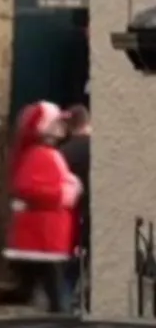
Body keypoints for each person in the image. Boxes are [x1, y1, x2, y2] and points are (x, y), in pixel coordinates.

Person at [0, 101, 81, 317]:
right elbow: (27, 188)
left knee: (25, 292)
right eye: (57, 122)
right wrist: (64, 193)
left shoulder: (45, 153)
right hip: (41, 239)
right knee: (56, 298)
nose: (62, 126)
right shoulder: (39, 154)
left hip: (45, 238)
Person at [60, 105, 91, 311]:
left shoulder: (63, 153)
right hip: (93, 215)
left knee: (70, 268)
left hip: (71, 217)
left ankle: (64, 308)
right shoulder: (99, 148)